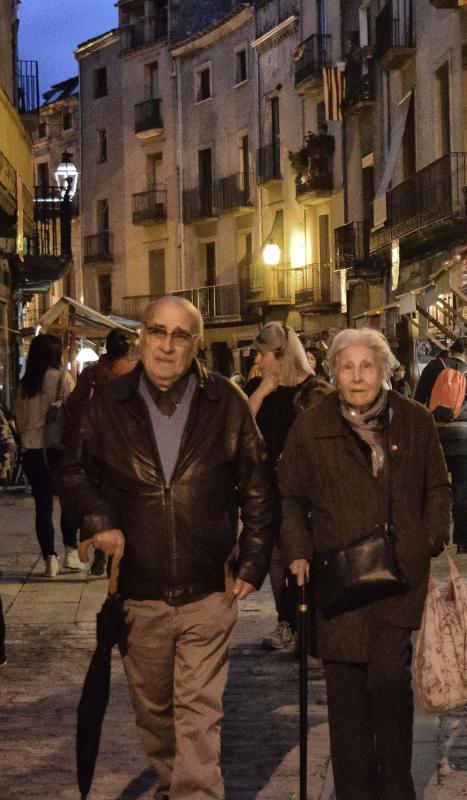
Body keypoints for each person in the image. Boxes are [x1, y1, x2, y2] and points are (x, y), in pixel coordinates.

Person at [59, 296, 278, 800]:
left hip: (209, 588)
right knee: (155, 711)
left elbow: (259, 487)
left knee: (200, 711)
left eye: (180, 335)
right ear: (141, 338)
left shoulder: (226, 403)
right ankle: (170, 781)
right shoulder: (107, 405)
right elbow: (72, 470)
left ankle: (195, 792)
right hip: (139, 587)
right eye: (158, 332)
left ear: (195, 344)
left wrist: (253, 559)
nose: (167, 344)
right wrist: (99, 521)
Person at [279, 328, 451, 800]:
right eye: (347, 367)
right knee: (346, 692)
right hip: (339, 580)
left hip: (398, 575)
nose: (357, 377)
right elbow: (289, 497)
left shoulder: (414, 420)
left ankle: (396, 787)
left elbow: (438, 486)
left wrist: (430, 537)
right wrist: (296, 550)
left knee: (391, 682)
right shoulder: (311, 427)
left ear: (384, 370)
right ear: (333, 372)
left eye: (367, 366)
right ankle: (354, 789)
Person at [243, 321, 322, 652]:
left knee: (306, 556)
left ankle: (310, 627)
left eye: (264, 356)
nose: (260, 362)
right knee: (277, 557)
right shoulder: (262, 390)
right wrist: (261, 391)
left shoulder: (314, 391)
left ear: (281, 354)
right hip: (273, 486)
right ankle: (286, 621)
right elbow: (240, 427)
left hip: (307, 492)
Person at [66, 328, 137, 576]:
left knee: (101, 498)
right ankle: (119, 557)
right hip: (129, 445)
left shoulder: (93, 371)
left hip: (98, 443)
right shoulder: (137, 371)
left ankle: (100, 551)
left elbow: (75, 401)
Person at [13, 333, 78, 576]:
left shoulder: (23, 385)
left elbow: (19, 420)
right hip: (57, 449)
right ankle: (71, 551)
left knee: (43, 506)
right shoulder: (62, 379)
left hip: (31, 450)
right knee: (68, 501)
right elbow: (73, 413)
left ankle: (50, 558)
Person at [414, 337, 467, 553]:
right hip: (463, 435)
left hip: (436, 434)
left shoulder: (434, 366)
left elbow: (417, 400)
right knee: (462, 490)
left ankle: (431, 538)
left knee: (433, 487)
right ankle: (462, 542)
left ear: (451, 349)